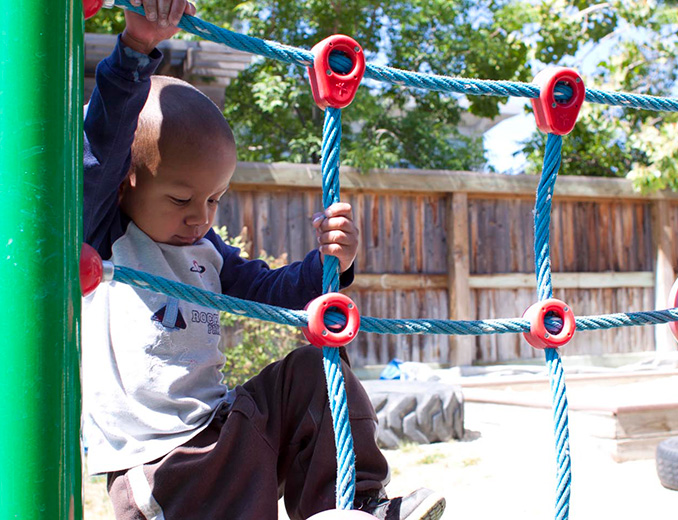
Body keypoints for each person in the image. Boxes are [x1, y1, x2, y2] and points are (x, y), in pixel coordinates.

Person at [82, 1, 446, 519]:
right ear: (127, 184)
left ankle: (354, 504)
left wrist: (333, 266)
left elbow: (276, 294)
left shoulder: (208, 255)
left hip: (222, 437)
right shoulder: (107, 237)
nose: (199, 218)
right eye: (181, 200)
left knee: (314, 370)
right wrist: (138, 48)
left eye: (214, 200)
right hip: (161, 470)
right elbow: (103, 144)